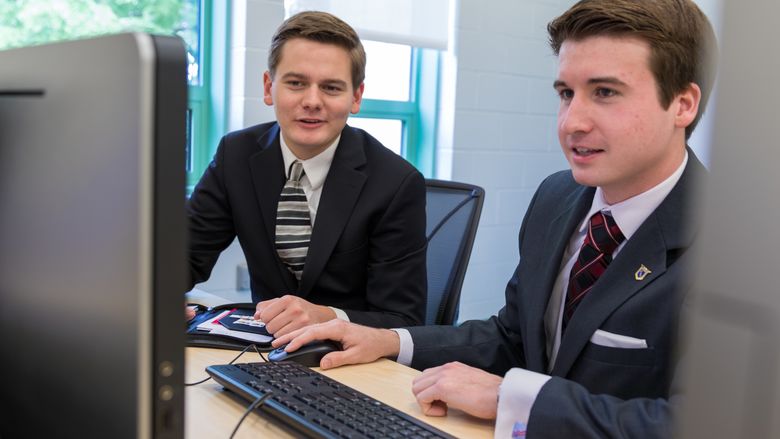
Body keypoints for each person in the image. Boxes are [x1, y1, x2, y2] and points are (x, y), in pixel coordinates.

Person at [273, 0, 718, 436]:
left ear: (682, 104)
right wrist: (391, 340)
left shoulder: (737, 246)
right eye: (566, 93)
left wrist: (513, 399)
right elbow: (512, 336)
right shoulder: (557, 196)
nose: (571, 122)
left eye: (605, 92)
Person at [186, 11, 427, 336]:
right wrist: (155, 296)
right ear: (270, 87)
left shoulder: (396, 183)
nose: (312, 101)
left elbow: (403, 319)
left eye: (330, 87)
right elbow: (184, 256)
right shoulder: (236, 155)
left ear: (355, 97)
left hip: (351, 361)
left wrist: (327, 316)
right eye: (296, 83)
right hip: (264, 352)